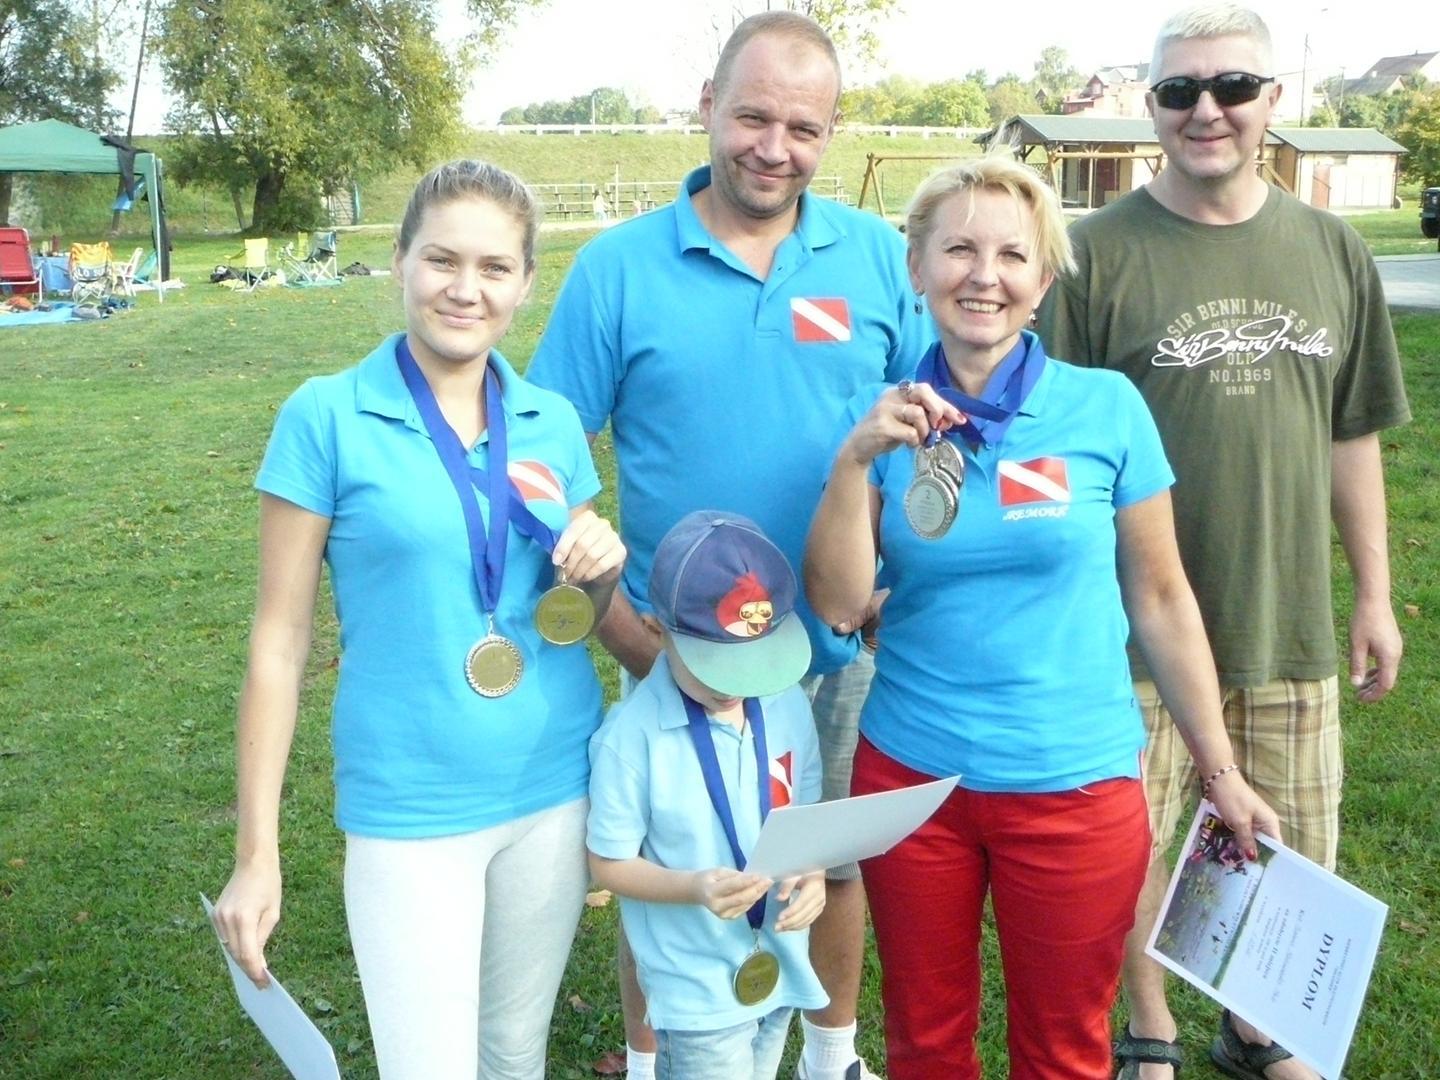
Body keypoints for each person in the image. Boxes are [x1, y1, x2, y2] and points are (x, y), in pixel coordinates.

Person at [804, 155, 1279, 1080]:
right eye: (959, 250)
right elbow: (839, 605)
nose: (984, 276)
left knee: (1065, 1046)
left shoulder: (1107, 409)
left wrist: (1218, 770)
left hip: (1074, 783)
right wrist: (854, 462)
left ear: (1044, 280)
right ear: (916, 267)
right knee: (924, 1039)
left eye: (1013, 255)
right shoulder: (883, 418)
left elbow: (1161, 597)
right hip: (912, 780)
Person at [527, 12, 927, 1080]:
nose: (773, 148)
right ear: (707, 106)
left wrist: (899, 568)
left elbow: (933, 422)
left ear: (831, 132)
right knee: (670, 861)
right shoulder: (617, 270)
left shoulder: (876, 258)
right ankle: (649, 1060)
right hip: (679, 644)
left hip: (833, 645)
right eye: (753, 116)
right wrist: (627, 633)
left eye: (804, 128)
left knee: (826, 858)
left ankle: (831, 1056)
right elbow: (541, 459)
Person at [1035, 6, 1411, 1078]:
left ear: (1271, 101)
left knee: (1289, 845)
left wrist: (1372, 593)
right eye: (1179, 90)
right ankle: (1150, 1029)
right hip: (1132, 629)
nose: (1207, 109)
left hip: (1283, 615)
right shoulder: (1091, 256)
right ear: (1151, 107)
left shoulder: (1332, 248)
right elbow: (1052, 445)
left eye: (1233, 86)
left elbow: (1352, 434)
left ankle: (1255, 1030)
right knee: (1133, 848)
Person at [209, 159, 626, 1080]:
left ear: (525, 283)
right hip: (409, 804)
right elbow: (279, 643)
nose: (465, 289)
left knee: (513, 1054)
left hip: (554, 786)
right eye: (443, 260)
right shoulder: (326, 417)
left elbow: (571, 615)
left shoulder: (550, 420)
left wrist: (599, 571)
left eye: (494, 267)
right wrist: (256, 852)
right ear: (400, 260)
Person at [588, 511, 828, 1080]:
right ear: (657, 631)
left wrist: (814, 874)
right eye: (716, 665)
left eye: (753, 662)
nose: (735, 684)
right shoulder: (631, 738)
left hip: (781, 964)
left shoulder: (786, 703)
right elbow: (607, 864)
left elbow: (806, 818)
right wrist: (694, 888)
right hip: (693, 987)